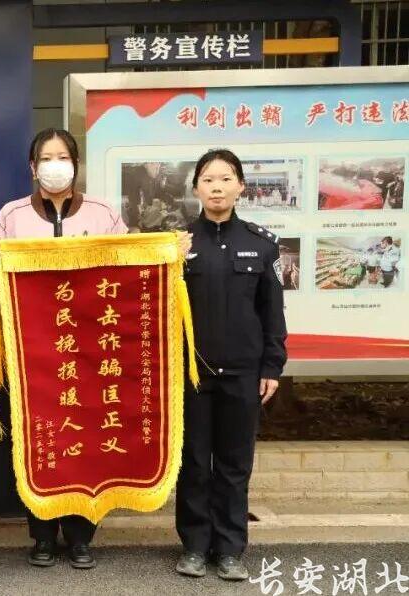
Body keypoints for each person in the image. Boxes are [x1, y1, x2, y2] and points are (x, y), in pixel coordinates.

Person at [0, 127, 127, 571]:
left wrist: (168, 251)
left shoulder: (104, 214)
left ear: (76, 164)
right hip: (33, 354)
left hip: (92, 353)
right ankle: (43, 535)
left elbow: (127, 266)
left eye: (62, 157)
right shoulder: (10, 216)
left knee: (88, 441)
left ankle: (82, 537)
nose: (55, 165)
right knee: (40, 440)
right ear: (33, 167)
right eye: (46, 158)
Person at [175, 148, 287, 582]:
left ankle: (229, 549)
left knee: (234, 465)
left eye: (225, 179)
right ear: (196, 188)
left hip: (243, 373)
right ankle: (194, 546)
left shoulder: (261, 243)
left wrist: (272, 367)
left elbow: (272, 312)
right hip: (192, 374)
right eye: (208, 180)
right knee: (194, 463)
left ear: (240, 186)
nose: (217, 188)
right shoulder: (180, 244)